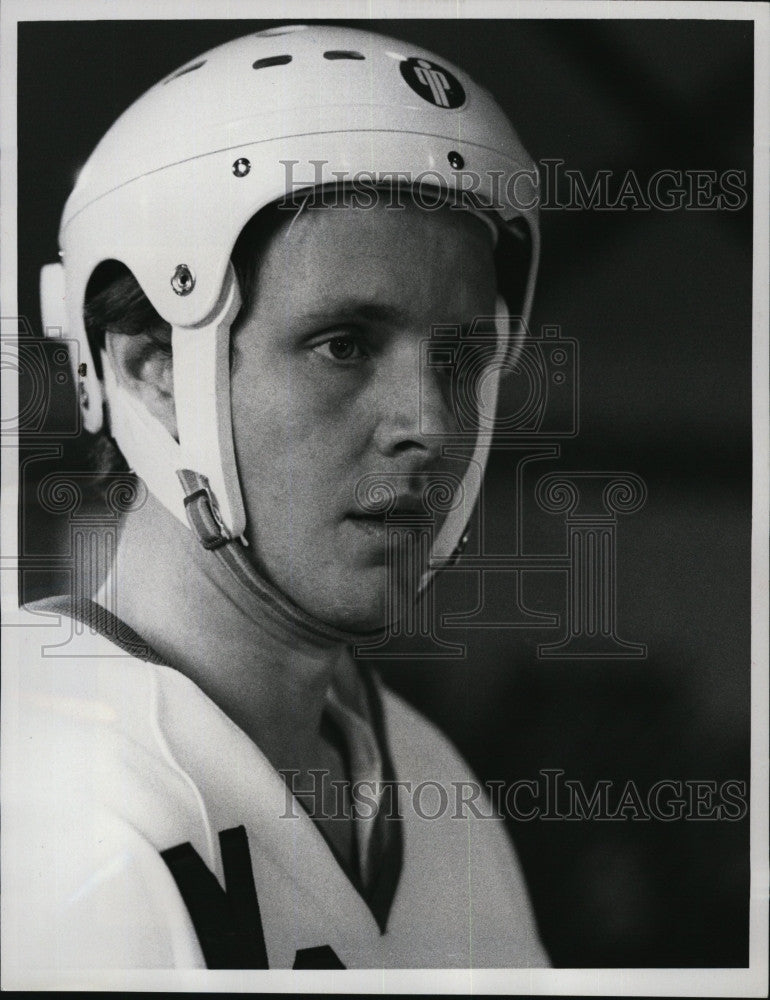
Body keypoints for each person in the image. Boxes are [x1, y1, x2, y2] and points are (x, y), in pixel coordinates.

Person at [3, 24, 549, 971]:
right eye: (344, 343)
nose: (428, 419)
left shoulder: (427, 777)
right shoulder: (52, 819)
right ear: (149, 369)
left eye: (459, 356)